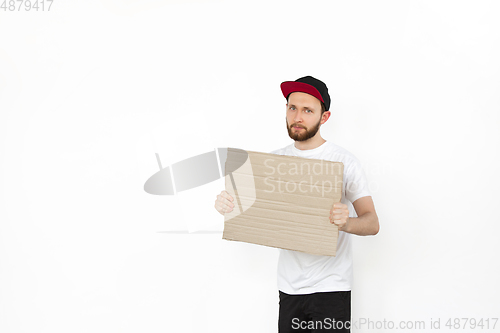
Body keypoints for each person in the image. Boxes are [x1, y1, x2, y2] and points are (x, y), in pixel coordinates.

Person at [214, 76, 379, 332]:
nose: (297, 116)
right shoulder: (273, 161)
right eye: (292, 108)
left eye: (307, 110)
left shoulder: (344, 161)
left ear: (324, 117)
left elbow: (372, 222)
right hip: (289, 287)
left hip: (331, 287)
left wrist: (346, 222)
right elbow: (254, 212)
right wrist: (229, 206)